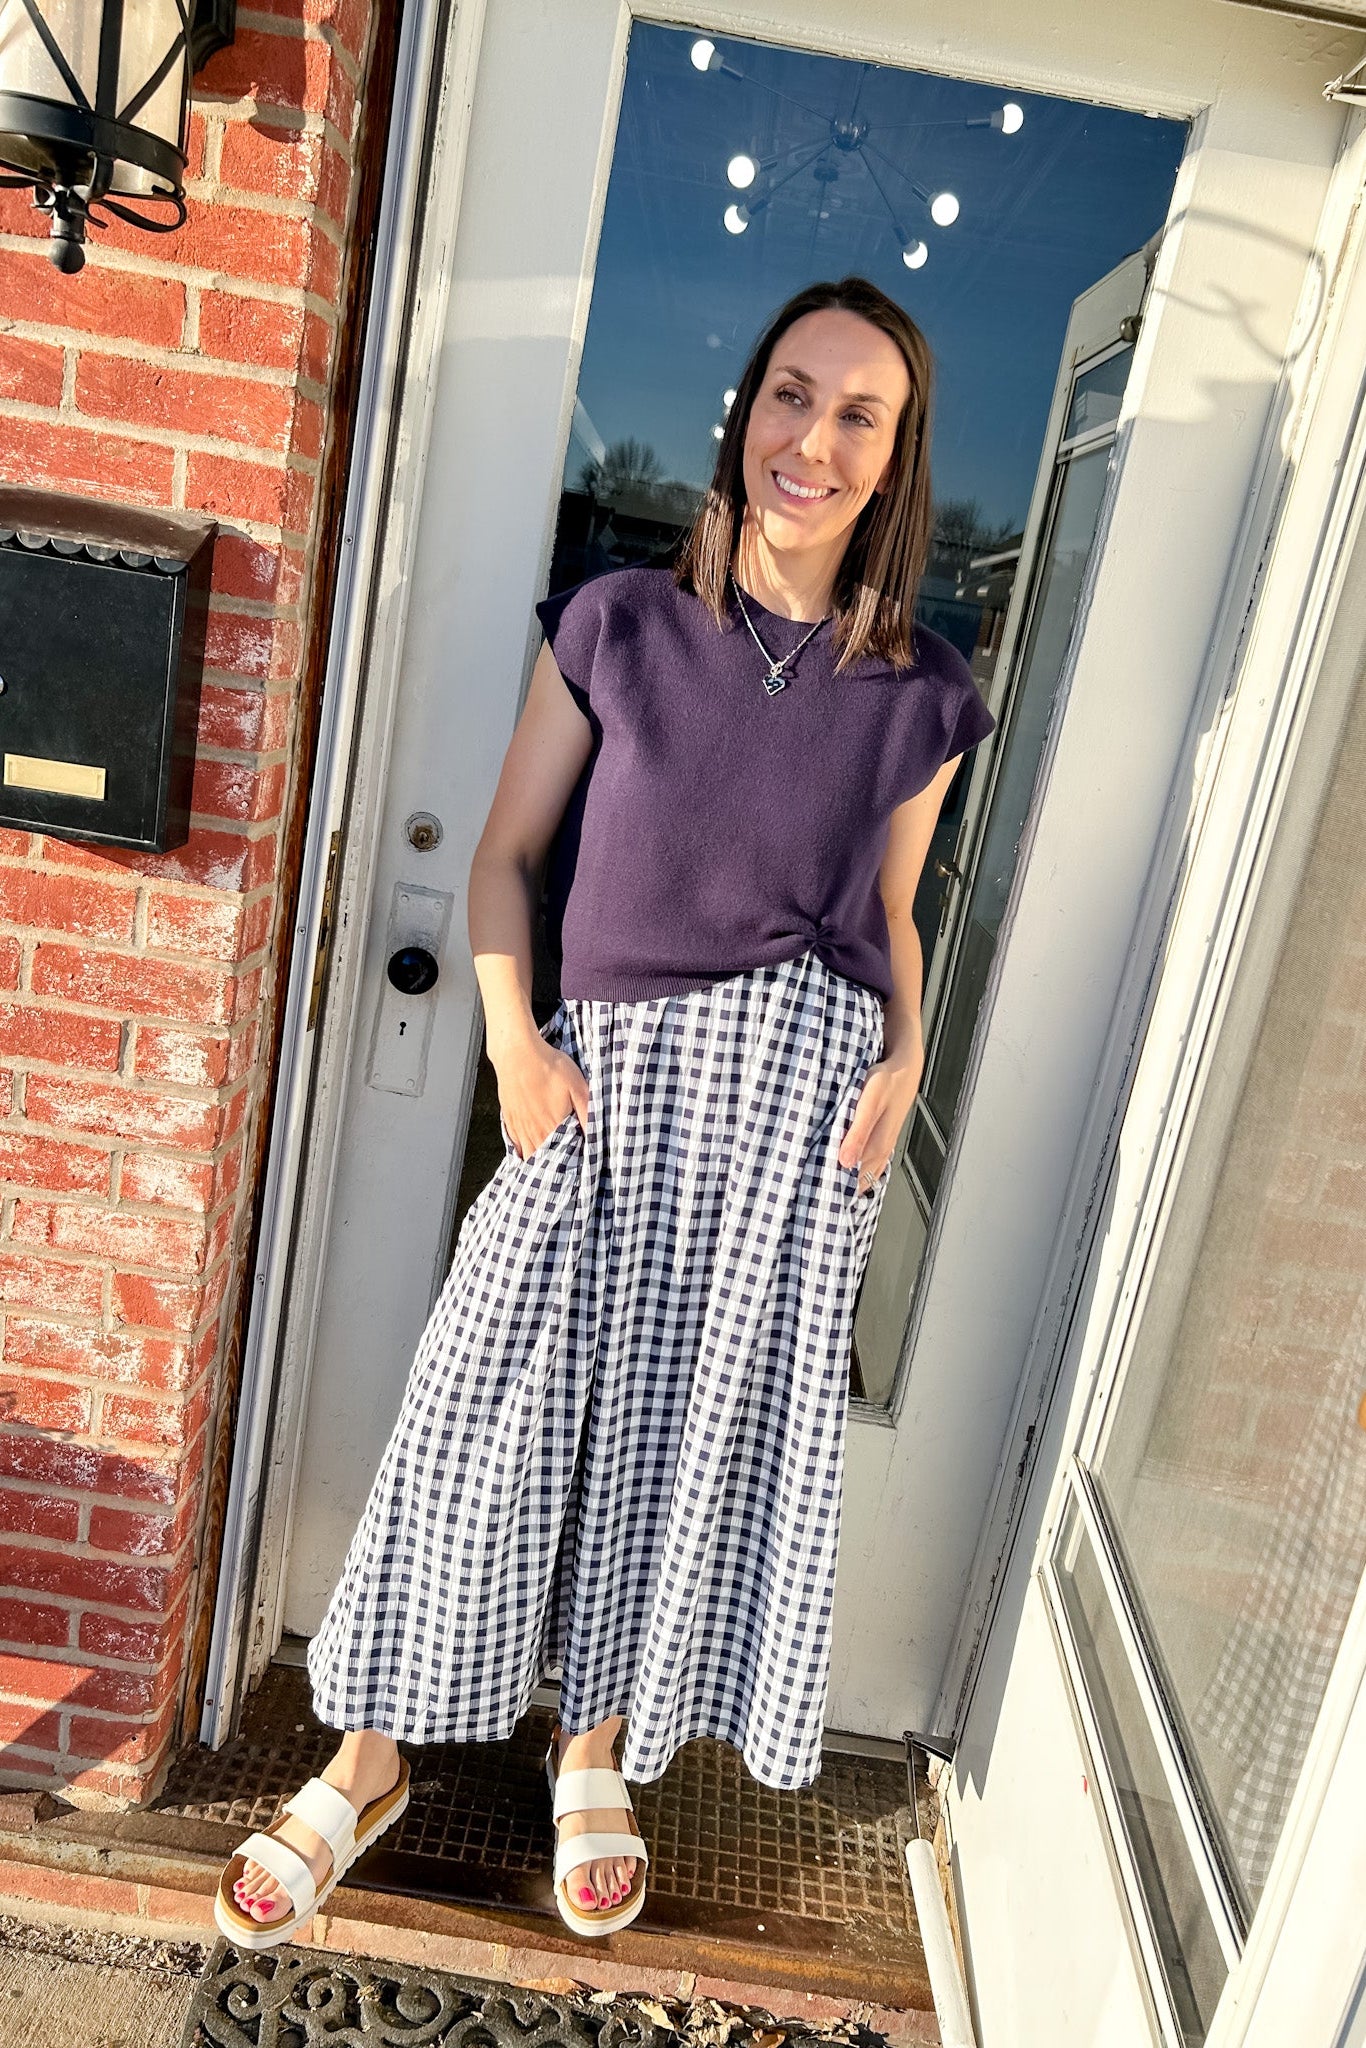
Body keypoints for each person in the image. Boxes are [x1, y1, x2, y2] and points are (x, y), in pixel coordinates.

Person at [213, 274, 996, 1948]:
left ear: (896, 455)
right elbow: (500, 861)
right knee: (483, 1417)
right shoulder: (622, 620)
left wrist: (911, 1054)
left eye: (860, 413)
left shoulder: (925, 692)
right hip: (610, 1081)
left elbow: (897, 908)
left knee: (689, 1448)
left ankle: (597, 1748)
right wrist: (512, 1044)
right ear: (745, 409)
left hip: (795, 1115)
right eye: (794, 393)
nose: (816, 438)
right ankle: (369, 1758)